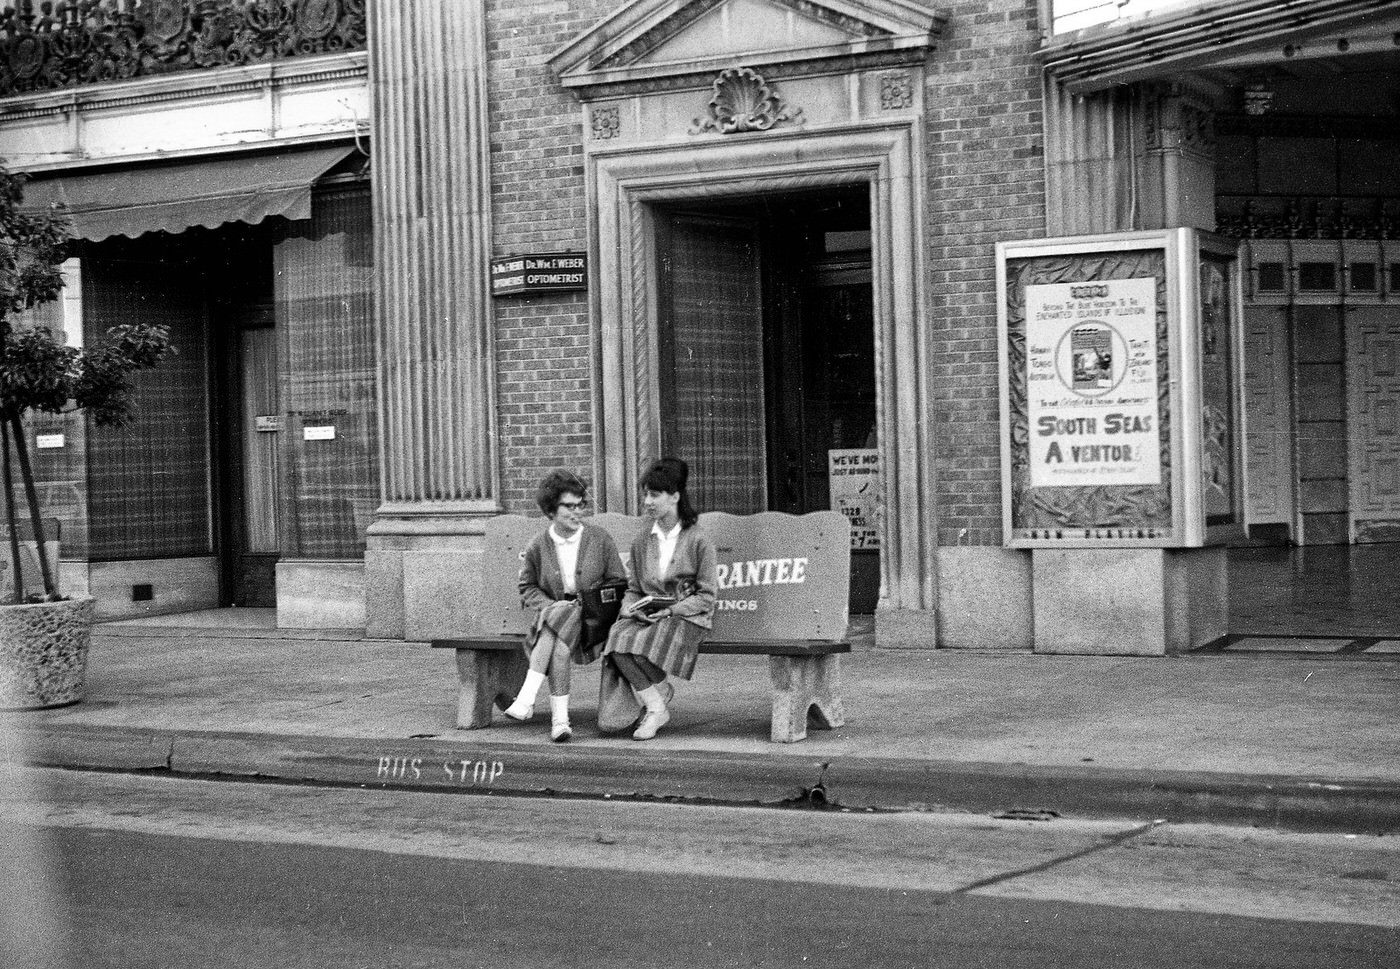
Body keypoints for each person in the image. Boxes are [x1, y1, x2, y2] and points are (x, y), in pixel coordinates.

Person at [505, 469, 627, 742]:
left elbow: (618, 581)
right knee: (559, 639)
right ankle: (560, 722)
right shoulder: (538, 545)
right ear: (551, 511)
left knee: (555, 623)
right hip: (558, 618)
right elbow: (527, 588)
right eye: (568, 507)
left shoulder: (600, 538)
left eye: (580, 505)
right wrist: (552, 605)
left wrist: (590, 600)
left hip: (593, 623)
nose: (577, 512)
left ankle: (528, 699)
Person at [602, 458, 717, 741]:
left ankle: (655, 698)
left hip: (687, 616)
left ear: (675, 496)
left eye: (654, 494)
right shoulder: (643, 540)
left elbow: (707, 596)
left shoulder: (699, 540)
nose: (647, 501)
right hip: (651, 615)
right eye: (646, 494)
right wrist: (630, 607)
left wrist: (671, 610)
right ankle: (657, 704)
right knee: (617, 637)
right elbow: (633, 587)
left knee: (638, 643)